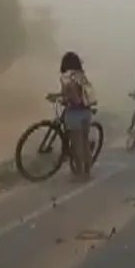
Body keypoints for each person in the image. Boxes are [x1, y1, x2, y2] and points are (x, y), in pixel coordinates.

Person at [59, 51, 96, 180]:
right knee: (85, 142)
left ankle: (79, 173)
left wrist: (65, 100)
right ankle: (87, 173)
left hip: (74, 113)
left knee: (76, 145)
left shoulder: (66, 77)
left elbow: (70, 95)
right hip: (86, 112)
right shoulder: (81, 75)